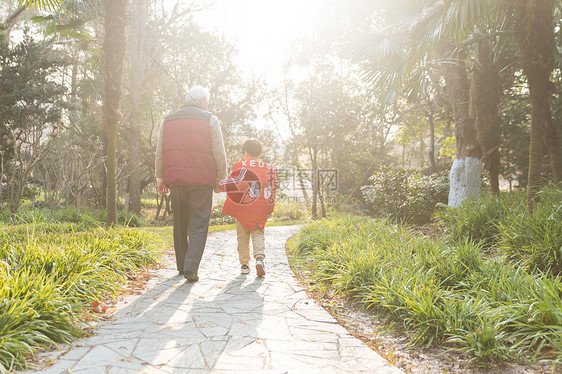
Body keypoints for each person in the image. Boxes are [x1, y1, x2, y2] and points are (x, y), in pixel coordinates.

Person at [155, 86, 227, 282]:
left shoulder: (168, 120)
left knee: (180, 222)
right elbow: (219, 152)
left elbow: (160, 150)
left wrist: (160, 177)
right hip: (202, 181)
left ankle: (181, 266)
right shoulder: (210, 119)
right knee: (199, 223)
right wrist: (221, 177)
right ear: (202, 100)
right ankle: (191, 267)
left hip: (176, 180)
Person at [218, 138, 277, 277]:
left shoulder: (240, 166)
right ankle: (259, 259)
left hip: (242, 208)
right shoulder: (269, 169)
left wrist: (220, 185)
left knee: (242, 236)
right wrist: (269, 207)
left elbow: (234, 185)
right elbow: (272, 189)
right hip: (260, 208)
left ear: (245, 152)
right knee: (258, 234)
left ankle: (244, 265)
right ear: (259, 152)